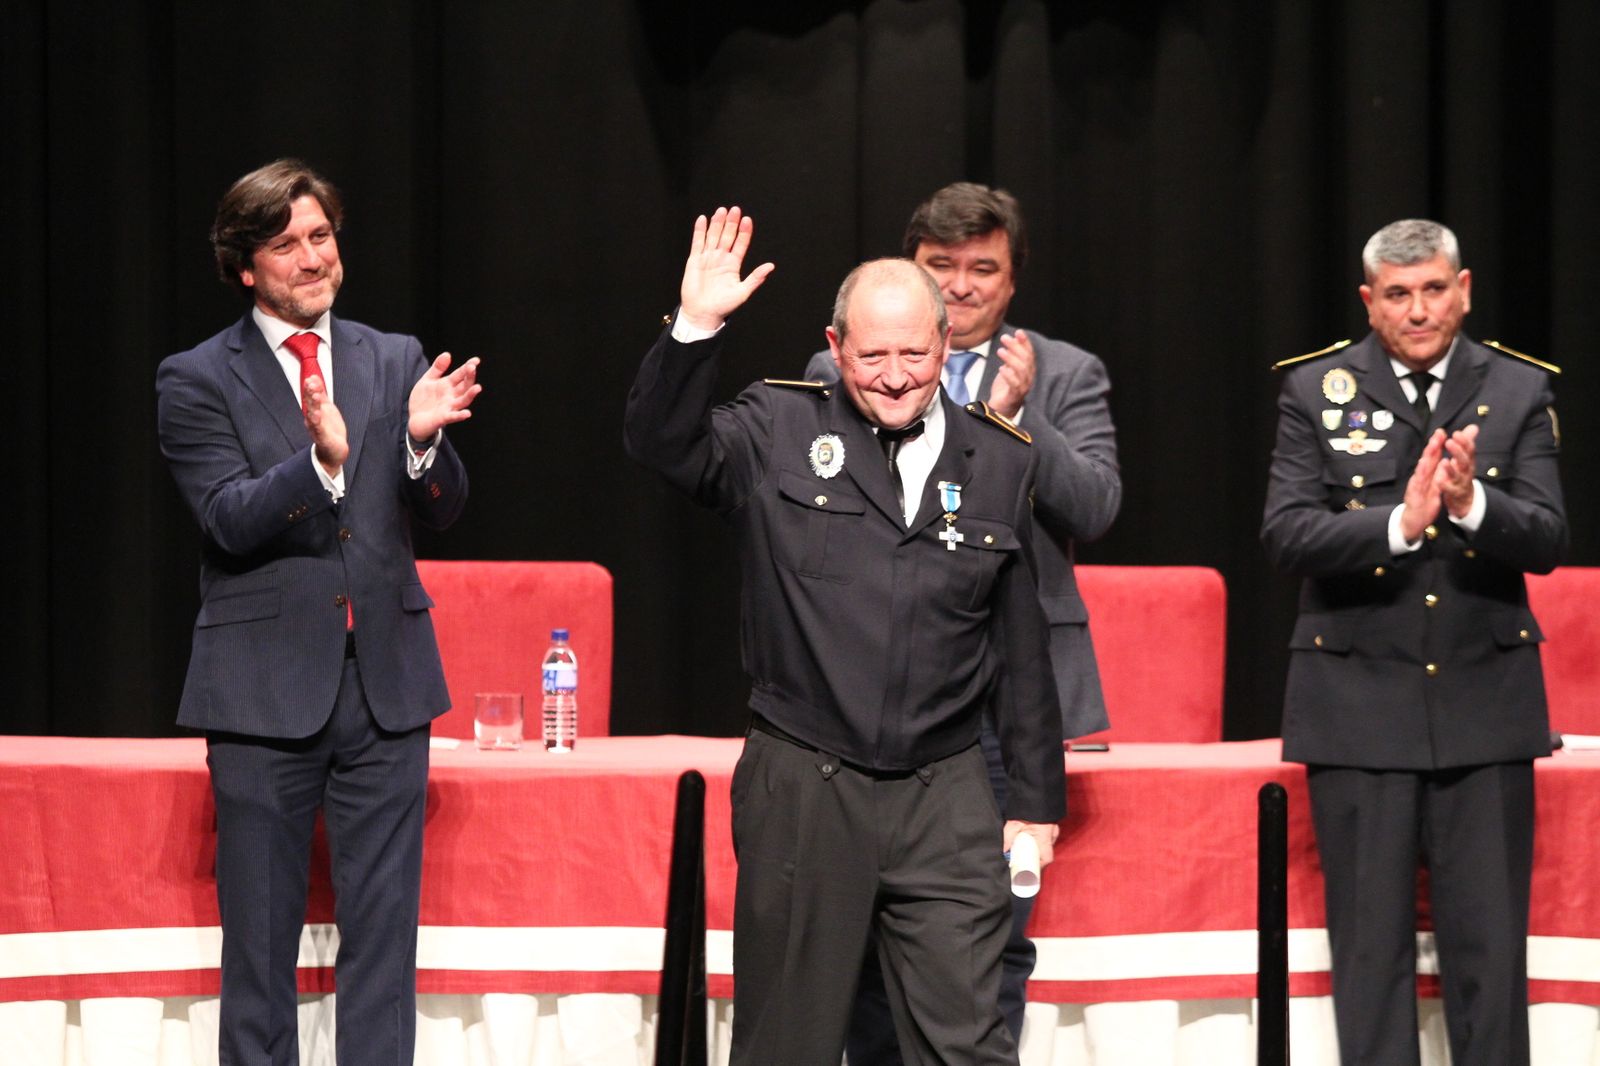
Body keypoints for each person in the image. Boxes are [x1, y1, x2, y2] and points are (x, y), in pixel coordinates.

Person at [625, 206, 1067, 1065]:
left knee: (968, 1043)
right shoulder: (778, 426)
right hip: (805, 783)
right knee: (787, 1043)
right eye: (872, 357)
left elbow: (1021, 645)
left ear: (946, 344)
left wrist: (1036, 802)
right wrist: (695, 327)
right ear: (834, 347)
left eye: (915, 355)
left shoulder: (1001, 459)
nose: (896, 378)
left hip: (945, 793)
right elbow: (661, 444)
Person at [156, 158, 481, 1063]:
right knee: (259, 949)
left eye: (321, 235)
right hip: (260, 692)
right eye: (286, 244)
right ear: (244, 267)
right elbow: (226, 517)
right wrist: (320, 465)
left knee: (384, 948)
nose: (311, 257)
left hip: (386, 686)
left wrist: (422, 447)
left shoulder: (394, 357)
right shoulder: (194, 377)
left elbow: (444, 509)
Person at [804, 181, 1121, 1057]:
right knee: (867, 938)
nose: (960, 284)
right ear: (909, 265)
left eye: (983, 268)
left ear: (1012, 280)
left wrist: (1017, 424)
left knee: (990, 942)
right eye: (940, 264)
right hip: (872, 693)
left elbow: (1096, 506)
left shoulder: (1066, 372)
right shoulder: (840, 371)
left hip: (1005, 708)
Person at [1261, 218, 1566, 1066]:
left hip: (1485, 705)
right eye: (1398, 294)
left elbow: (1548, 538)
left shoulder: (1519, 388)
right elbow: (1285, 535)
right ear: (1370, 301)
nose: (1419, 310)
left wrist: (1471, 506)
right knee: (1370, 958)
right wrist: (1399, 522)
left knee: (1490, 961)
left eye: (1434, 289)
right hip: (1357, 706)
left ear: (1463, 290)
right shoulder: (1313, 388)